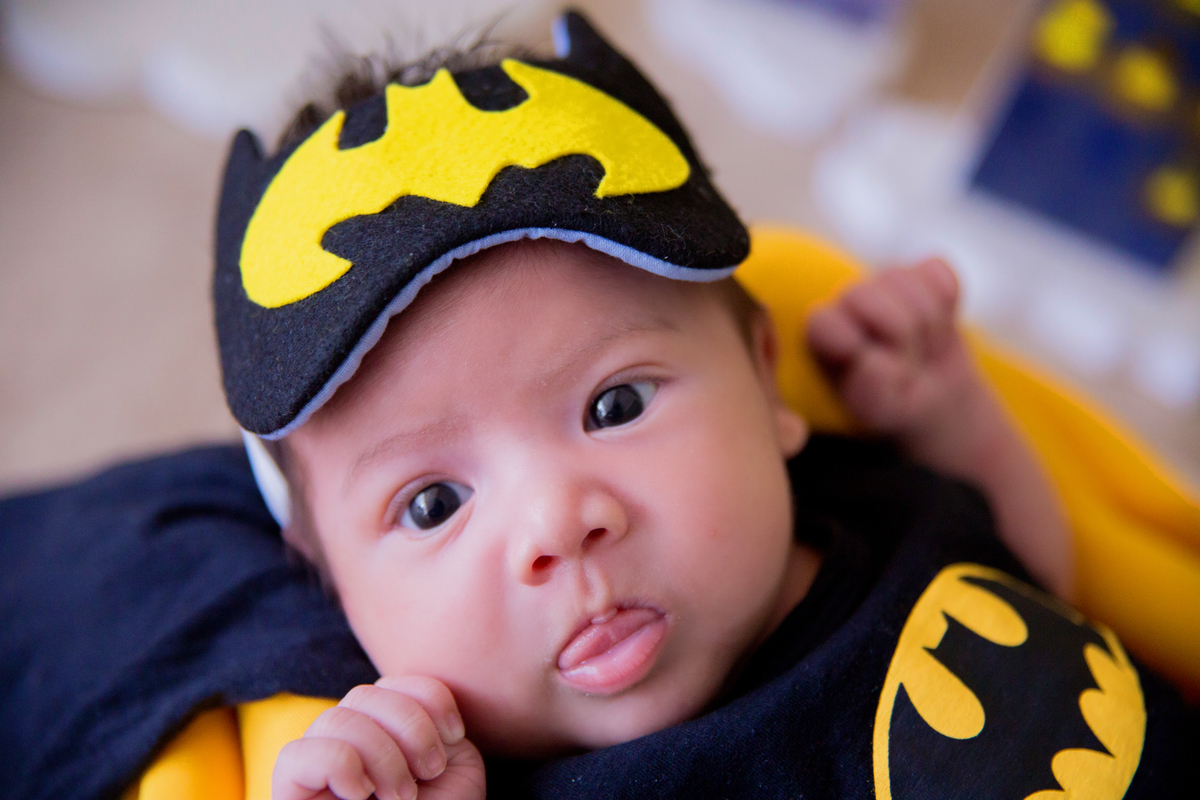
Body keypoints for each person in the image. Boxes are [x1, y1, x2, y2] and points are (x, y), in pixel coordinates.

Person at [204, 11, 1191, 800]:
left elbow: (1040, 582)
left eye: (616, 402)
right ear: (327, 581)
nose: (560, 521)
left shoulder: (874, 504)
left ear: (769, 386)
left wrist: (949, 414)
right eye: (432, 504)